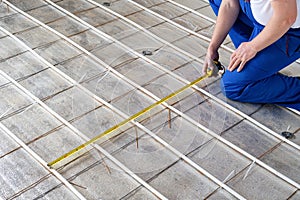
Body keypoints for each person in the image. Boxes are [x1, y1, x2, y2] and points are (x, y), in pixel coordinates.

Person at [203, 0, 300, 111]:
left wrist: (253, 47)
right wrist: (213, 47)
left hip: (288, 30)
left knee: (232, 87)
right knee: (217, 1)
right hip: (262, 18)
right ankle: (258, 68)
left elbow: (286, 18)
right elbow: (229, 3)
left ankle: (258, 69)